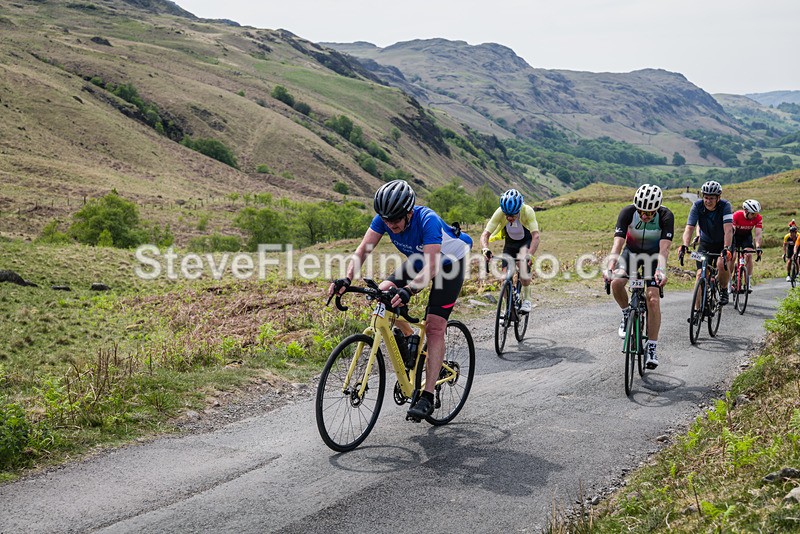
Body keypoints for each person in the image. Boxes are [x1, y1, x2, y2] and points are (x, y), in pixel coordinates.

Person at [328, 180, 473, 420]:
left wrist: (409, 290)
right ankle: (408, 335)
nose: (391, 225)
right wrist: (346, 277)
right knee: (381, 294)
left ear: (409, 212)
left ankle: (426, 396)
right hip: (420, 258)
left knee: (435, 326)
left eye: (395, 220)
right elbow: (363, 250)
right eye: (386, 221)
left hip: (449, 263)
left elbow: (432, 267)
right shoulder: (384, 220)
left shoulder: (428, 220)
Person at [604, 184, 673, 369]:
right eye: (642, 211)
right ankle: (627, 314)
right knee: (617, 283)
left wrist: (661, 270)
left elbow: (664, 249)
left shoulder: (666, 216)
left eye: (650, 213)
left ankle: (652, 347)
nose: (644, 216)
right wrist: (610, 265)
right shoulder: (627, 212)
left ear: (657, 209)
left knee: (652, 299)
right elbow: (618, 243)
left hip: (653, 257)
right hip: (631, 253)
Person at [480, 189, 540, 314]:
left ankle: (527, 299)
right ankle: (507, 308)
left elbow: (536, 236)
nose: (509, 218)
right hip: (510, 245)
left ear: (518, 210)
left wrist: (530, 255)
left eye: (512, 215)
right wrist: (485, 249)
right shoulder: (500, 212)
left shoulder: (527, 211)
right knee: (504, 279)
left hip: (525, 242)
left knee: (523, 267)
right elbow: (485, 234)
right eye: (507, 215)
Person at [679, 180, 734, 307]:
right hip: (706, 242)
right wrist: (685, 245)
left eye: (711, 198)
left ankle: (724, 289)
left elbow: (728, 229)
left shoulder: (725, 206)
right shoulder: (697, 206)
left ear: (718, 198)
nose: (708, 201)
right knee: (700, 274)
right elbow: (689, 228)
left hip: (723, 242)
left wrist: (726, 248)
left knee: (721, 264)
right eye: (706, 198)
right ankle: (697, 311)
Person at [731, 199, 763, 292]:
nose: (755, 216)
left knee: (749, 255)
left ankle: (747, 282)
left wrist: (758, 247)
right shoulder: (737, 215)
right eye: (753, 214)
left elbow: (758, 234)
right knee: (732, 257)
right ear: (746, 211)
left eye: (756, 214)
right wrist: (730, 247)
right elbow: (732, 231)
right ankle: (728, 281)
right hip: (735, 236)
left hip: (746, 237)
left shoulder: (758, 218)